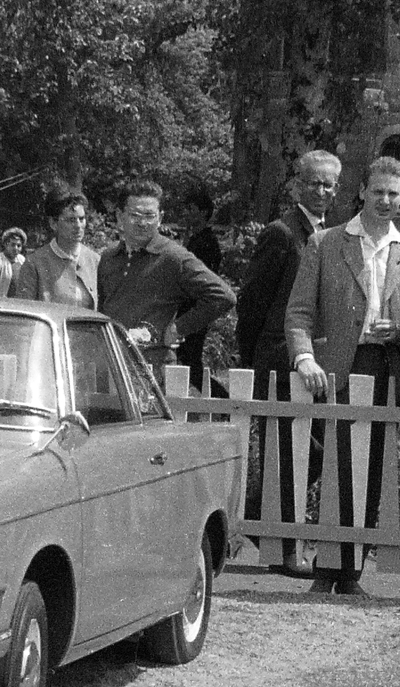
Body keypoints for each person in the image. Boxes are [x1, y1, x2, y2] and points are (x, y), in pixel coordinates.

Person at [284, 155, 400, 596]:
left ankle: (349, 575)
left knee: (371, 471)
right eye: (378, 191)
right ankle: (327, 571)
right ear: (362, 191)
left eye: (394, 194)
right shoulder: (326, 243)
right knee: (339, 466)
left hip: (385, 370)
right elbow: (300, 311)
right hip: (340, 370)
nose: (385, 201)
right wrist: (304, 357)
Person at [235, 149, 341, 575]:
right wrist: (255, 361)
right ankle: (279, 549)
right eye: (313, 182)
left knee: (313, 449)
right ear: (297, 183)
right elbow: (253, 302)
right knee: (288, 453)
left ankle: (254, 516)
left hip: (311, 362)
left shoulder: (329, 234)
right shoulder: (282, 232)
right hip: (278, 359)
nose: (321, 191)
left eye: (328, 185)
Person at [97, 179, 234, 373]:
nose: (142, 223)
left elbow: (223, 296)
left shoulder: (172, 256)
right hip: (111, 365)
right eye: (135, 215)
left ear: (160, 218)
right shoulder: (109, 257)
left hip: (154, 370)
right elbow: (102, 311)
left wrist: (179, 328)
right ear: (120, 216)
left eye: (149, 216)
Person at [174, 185, 224, 396]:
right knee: (187, 359)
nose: (187, 213)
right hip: (187, 307)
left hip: (197, 308)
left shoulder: (206, 242)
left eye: (192, 208)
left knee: (189, 360)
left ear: (204, 212)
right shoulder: (194, 238)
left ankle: (222, 400)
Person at [11, 190, 98, 308]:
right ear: (53, 223)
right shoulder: (34, 264)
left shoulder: (96, 261)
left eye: (81, 219)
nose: (78, 226)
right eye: (71, 220)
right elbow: (24, 314)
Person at [0, 228, 27, 298]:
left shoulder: (23, 260)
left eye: (18, 246)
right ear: (6, 244)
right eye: (13, 245)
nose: (16, 248)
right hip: (0, 302)